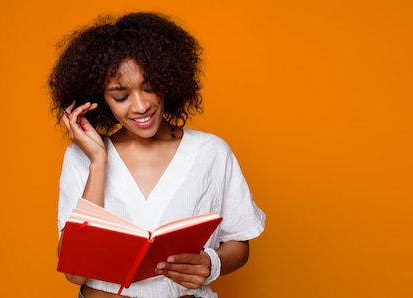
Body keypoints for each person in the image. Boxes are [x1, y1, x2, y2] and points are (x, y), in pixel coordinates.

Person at [49, 11, 265, 298]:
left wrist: (212, 264)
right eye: (121, 96)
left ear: (168, 80)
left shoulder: (211, 153)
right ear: (100, 100)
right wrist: (98, 163)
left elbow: (239, 243)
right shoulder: (82, 158)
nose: (140, 106)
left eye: (149, 87)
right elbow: (76, 272)